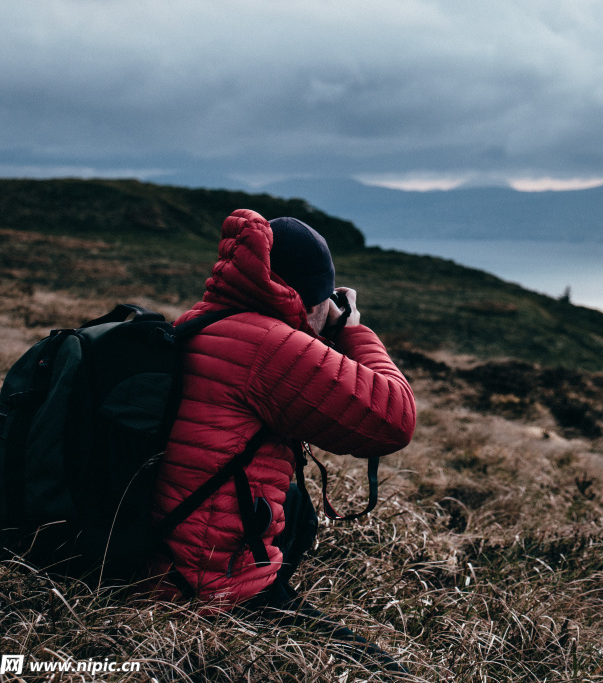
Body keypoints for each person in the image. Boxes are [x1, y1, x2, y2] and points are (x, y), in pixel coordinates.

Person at [146, 209, 416, 663]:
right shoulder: (268, 345)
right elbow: (394, 418)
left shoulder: (202, 319)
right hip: (203, 591)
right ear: (305, 295)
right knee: (382, 669)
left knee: (293, 502)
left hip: (154, 556)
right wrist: (352, 331)